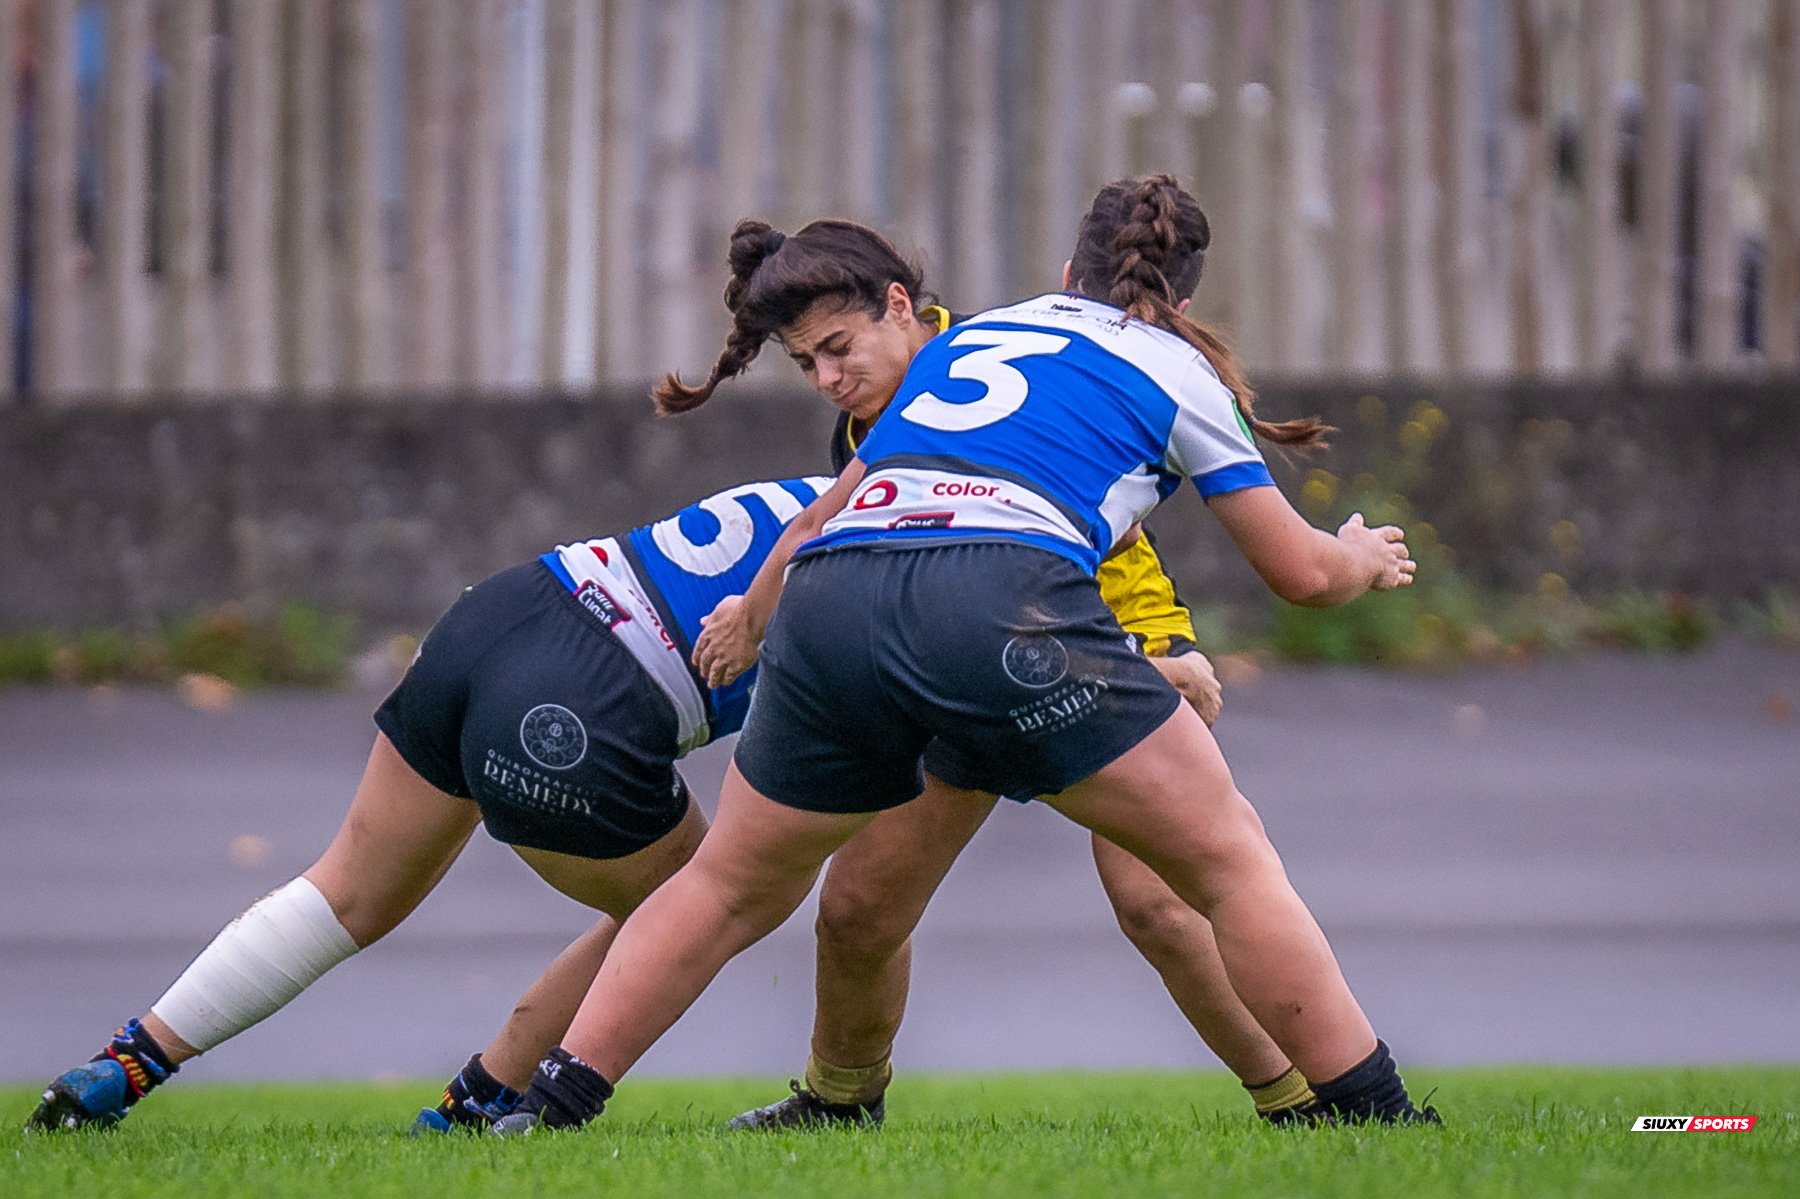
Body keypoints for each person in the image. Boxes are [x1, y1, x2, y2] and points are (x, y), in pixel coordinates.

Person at [489, 175, 1433, 1136]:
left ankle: (555, 1106)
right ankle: (1378, 1116)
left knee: (738, 885)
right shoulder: (1175, 366)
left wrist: (757, 616)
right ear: (1182, 304)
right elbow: (1302, 576)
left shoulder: (979, 336)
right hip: (1001, 610)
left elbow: (829, 508)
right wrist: (1358, 556)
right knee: (1228, 864)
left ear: (1068, 275)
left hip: (836, 599)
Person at [653, 217, 1310, 1128]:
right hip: (965, 659)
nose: (830, 380)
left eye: (838, 351)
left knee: (1159, 905)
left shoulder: (974, 363)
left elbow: (1092, 541)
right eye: (808, 365)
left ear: (902, 309)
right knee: (858, 907)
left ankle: (1306, 1101)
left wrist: (1158, 655)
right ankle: (840, 1105)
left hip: (1102, 647)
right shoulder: (879, 416)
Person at [23, 476, 834, 1133]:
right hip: (583, 695)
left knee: (346, 889)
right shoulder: (902, 544)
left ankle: (122, 1065)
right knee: (705, 900)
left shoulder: (845, 485)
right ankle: (482, 1101)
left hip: (505, 610)